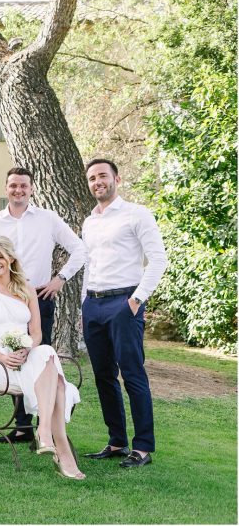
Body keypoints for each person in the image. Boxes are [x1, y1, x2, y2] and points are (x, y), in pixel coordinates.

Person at [0, 167, 87, 444]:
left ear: (32, 189)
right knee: (14, 359)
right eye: (13, 185)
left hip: (39, 298)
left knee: (39, 357)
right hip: (6, 301)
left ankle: (46, 425)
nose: (18, 190)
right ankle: (22, 427)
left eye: (24, 186)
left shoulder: (48, 219)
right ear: (6, 188)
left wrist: (60, 278)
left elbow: (80, 249)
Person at [0, 237, 84, 480]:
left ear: (11, 259)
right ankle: (58, 445)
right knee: (58, 380)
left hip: (27, 357)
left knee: (46, 352)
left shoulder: (27, 290)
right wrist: (2, 356)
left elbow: (37, 334)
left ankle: (45, 432)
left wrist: (26, 349)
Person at [81, 158, 167, 469]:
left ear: (117, 178)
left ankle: (142, 448)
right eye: (92, 178)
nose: (97, 182)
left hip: (123, 303)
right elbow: (90, 264)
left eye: (102, 175)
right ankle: (116, 442)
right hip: (93, 305)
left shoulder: (136, 214)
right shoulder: (89, 221)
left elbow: (158, 260)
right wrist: (84, 304)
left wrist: (135, 301)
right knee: (104, 376)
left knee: (132, 374)